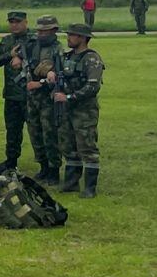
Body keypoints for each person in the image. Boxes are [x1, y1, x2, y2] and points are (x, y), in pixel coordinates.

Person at [53, 24, 104, 198]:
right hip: (67, 109)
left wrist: (69, 97)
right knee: (68, 145)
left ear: (82, 38)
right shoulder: (66, 57)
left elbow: (92, 86)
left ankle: (90, 188)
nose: (68, 38)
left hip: (84, 110)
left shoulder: (91, 58)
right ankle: (71, 183)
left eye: (72, 35)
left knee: (87, 147)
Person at [23, 16, 64, 183]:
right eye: (39, 30)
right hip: (32, 98)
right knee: (35, 132)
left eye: (44, 31)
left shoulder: (58, 49)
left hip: (47, 97)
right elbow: (21, 53)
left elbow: (59, 76)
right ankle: (43, 166)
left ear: (53, 31)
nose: (41, 34)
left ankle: (53, 169)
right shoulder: (33, 45)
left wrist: (39, 83)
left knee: (50, 134)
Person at [0, 11, 31, 170]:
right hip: (12, 94)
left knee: (37, 131)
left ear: (26, 22)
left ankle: (47, 166)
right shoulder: (7, 40)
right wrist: (10, 55)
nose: (14, 25)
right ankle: (11, 161)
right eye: (11, 22)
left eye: (18, 22)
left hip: (31, 95)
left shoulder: (34, 39)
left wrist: (22, 59)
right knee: (12, 130)